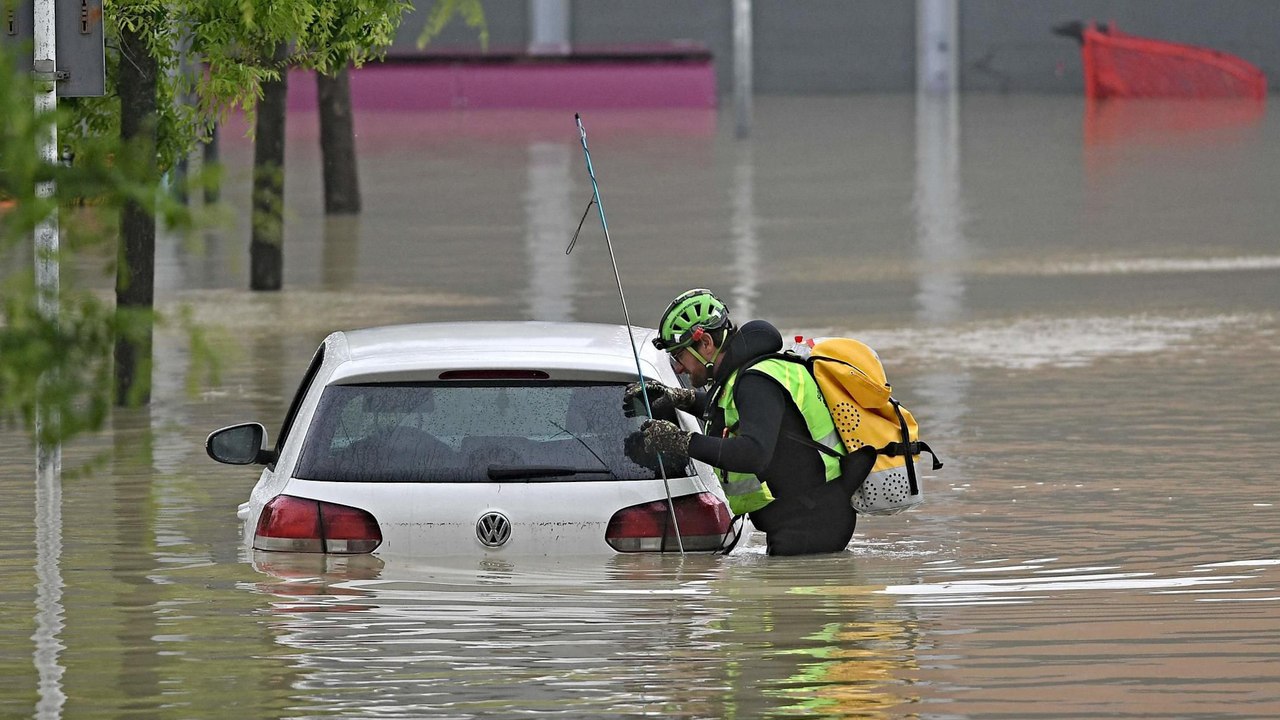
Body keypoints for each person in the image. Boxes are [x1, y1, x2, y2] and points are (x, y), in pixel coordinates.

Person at [623, 288, 869, 556]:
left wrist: (682, 441)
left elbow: (753, 453)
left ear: (705, 343)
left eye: (679, 356)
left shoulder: (756, 381)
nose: (678, 368)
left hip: (811, 523)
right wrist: (680, 398)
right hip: (809, 515)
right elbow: (733, 413)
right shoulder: (748, 374)